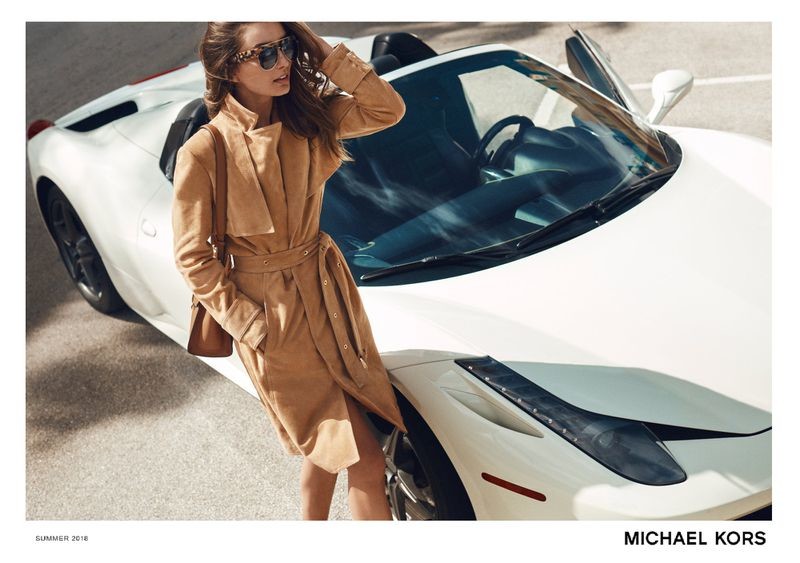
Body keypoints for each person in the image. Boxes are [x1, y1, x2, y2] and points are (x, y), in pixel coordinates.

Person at [171, 21, 408, 520]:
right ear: (228, 68)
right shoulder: (205, 151)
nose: (280, 62)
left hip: (329, 296)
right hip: (274, 320)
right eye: (263, 54)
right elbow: (193, 256)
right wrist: (253, 327)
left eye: (285, 47)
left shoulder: (309, 117)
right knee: (363, 458)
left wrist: (320, 50)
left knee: (330, 447)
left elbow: (387, 109)